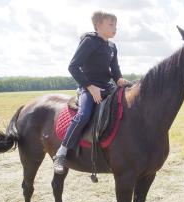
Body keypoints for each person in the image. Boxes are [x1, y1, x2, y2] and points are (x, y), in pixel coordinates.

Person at [53, 11, 128, 174]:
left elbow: (115, 70)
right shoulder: (89, 41)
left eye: (116, 25)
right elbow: (73, 67)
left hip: (108, 87)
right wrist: (90, 87)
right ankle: (62, 152)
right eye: (111, 24)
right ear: (99, 25)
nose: (115, 28)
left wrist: (120, 79)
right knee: (84, 115)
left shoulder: (112, 46)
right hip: (88, 88)